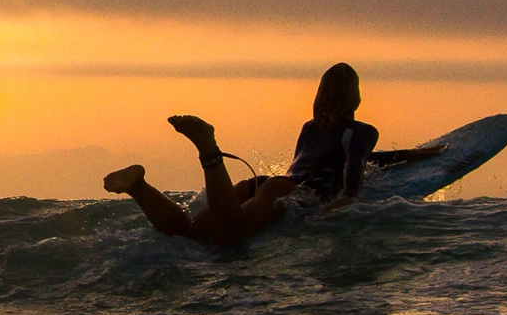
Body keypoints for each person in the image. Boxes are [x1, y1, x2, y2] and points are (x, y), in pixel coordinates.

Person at [102, 63, 445, 249]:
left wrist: (411, 154)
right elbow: (354, 162)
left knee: (191, 233)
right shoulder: (361, 131)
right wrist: (351, 196)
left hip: (265, 183)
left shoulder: (310, 127)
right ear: (355, 96)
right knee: (229, 234)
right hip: (293, 194)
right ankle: (209, 151)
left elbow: (359, 158)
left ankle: (139, 187)